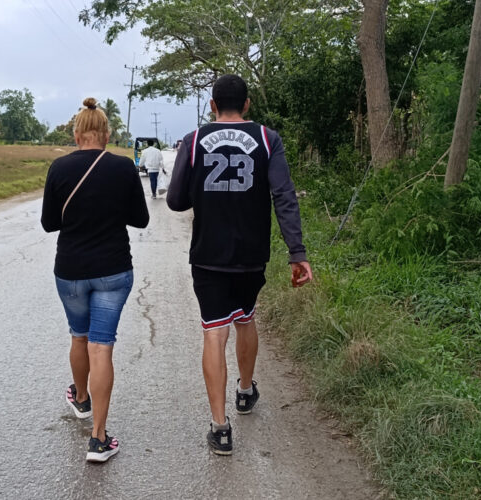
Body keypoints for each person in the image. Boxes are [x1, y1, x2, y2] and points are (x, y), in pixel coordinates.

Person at [166, 75, 313, 456]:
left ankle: (220, 428)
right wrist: (297, 252)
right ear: (247, 104)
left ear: (212, 106)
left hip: (208, 255)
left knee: (214, 332)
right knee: (246, 317)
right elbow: (284, 195)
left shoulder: (193, 141)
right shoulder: (268, 139)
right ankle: (245, 392)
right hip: (251, 255)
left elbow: (176, 202)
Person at [41, 97, 149, 462]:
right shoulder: (122, 168)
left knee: (79, 335)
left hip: (70, 271)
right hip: (113, 270)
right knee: (102, 346)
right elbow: (142, 219)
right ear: (105, 134)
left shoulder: (58, 168)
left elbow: (49, 223)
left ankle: (81, 399)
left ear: (76, 134)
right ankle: (99, 439)